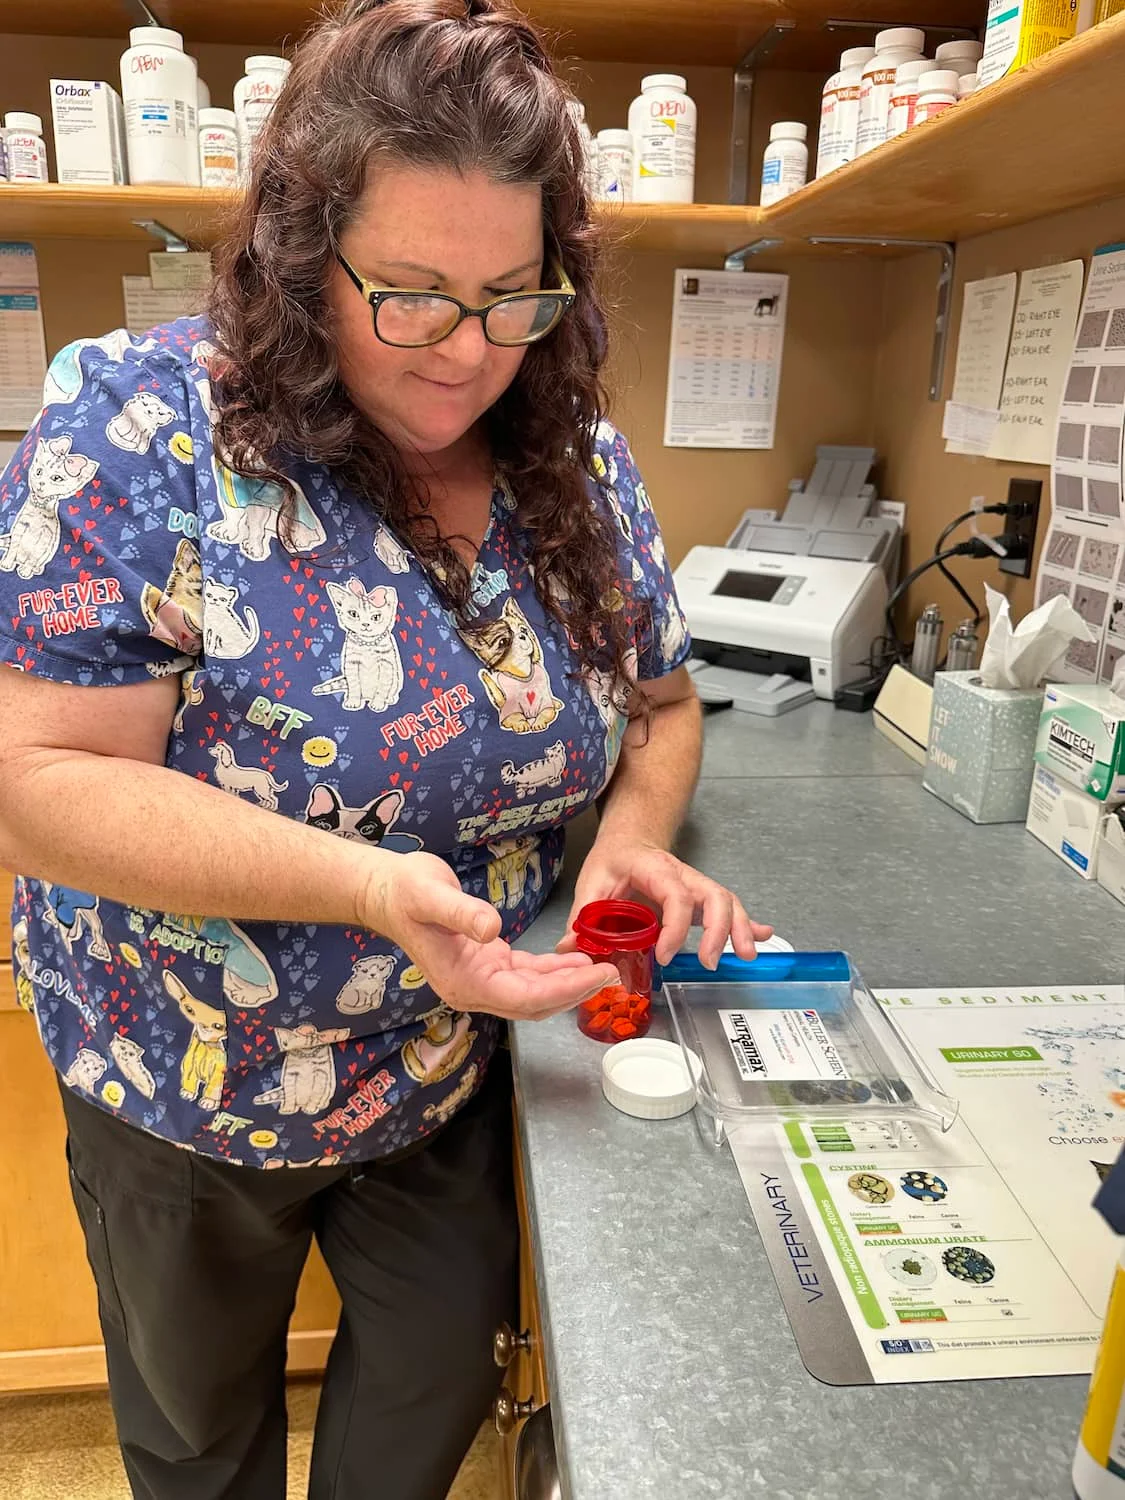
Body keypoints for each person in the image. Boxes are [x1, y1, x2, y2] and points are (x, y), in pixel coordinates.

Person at [0, 1, 770, 1495]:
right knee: (196, 1434)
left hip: (445, 1058)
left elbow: (663, 706)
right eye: (409, 293)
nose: (465, 352)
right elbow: (35, 783)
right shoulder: (147, 425)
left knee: (422, 1398)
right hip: (187, 1073)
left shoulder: (573, 455)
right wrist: (368, 889)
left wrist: (626, 842)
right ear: (303, 253)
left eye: (510, 295)